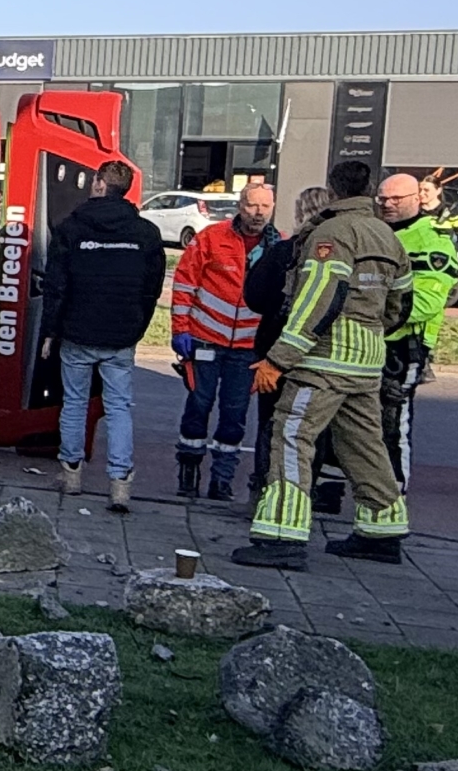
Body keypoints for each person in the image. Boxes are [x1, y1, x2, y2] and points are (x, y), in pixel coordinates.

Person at [234, 160, 411, 570]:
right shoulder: (388, 236)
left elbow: (318, 300)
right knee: (364, 442)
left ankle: (283, 534)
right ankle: (382, 529)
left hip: (323, 359)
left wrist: (278, 360)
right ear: (368, 190)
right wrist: (372, 332)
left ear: (332, 191)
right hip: (368, 360)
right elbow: (401, 302)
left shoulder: (330, 234)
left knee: (292, 435)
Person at [38, 159, 165, 512]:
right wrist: (137, 326)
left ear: (97, 184)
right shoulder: (146, 234)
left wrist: (51, 330)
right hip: (121, 333)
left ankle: (72, 474)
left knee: (75, 403)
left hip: (78, 331)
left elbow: (56, 286)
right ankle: (120, 484)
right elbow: (151, 289)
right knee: (120, 407)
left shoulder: (72, 228)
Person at [170, 182, 278, 499]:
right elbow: (185, 284)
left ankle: (222, 481)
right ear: (240, 205)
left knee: (235, 414)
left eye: (265, 207)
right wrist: (180, 329)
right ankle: (188, 471)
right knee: (198, 405)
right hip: (205, 339)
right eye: (252, 206)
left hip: (248, 347)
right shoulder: (212, 238)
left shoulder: (279, 247)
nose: (258, 214)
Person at [374, 173, 458, 486]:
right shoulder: (374, 231)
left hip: (403, 345)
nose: (388, 205)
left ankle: (393, 494)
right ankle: (332, 492)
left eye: (396, 199)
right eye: (383, 199)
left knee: (391, 421)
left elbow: (426, 302)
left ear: (416, 199)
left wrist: (372, 312)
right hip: (367, 339)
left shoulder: (432, 240)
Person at [243, 186, 331, 495]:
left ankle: (266, 490)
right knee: (312, 428)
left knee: (271, 421)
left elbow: (253, 296)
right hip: (321, 352)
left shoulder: (283, 251)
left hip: (275, 349)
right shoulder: (340, 252)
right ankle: (303, 492)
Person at [418, 176, 458, 241]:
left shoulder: (452, 211)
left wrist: (445, 249)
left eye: (426, 190)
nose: (421, 193)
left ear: (438, 190)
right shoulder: (413, 211)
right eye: (419, 190)